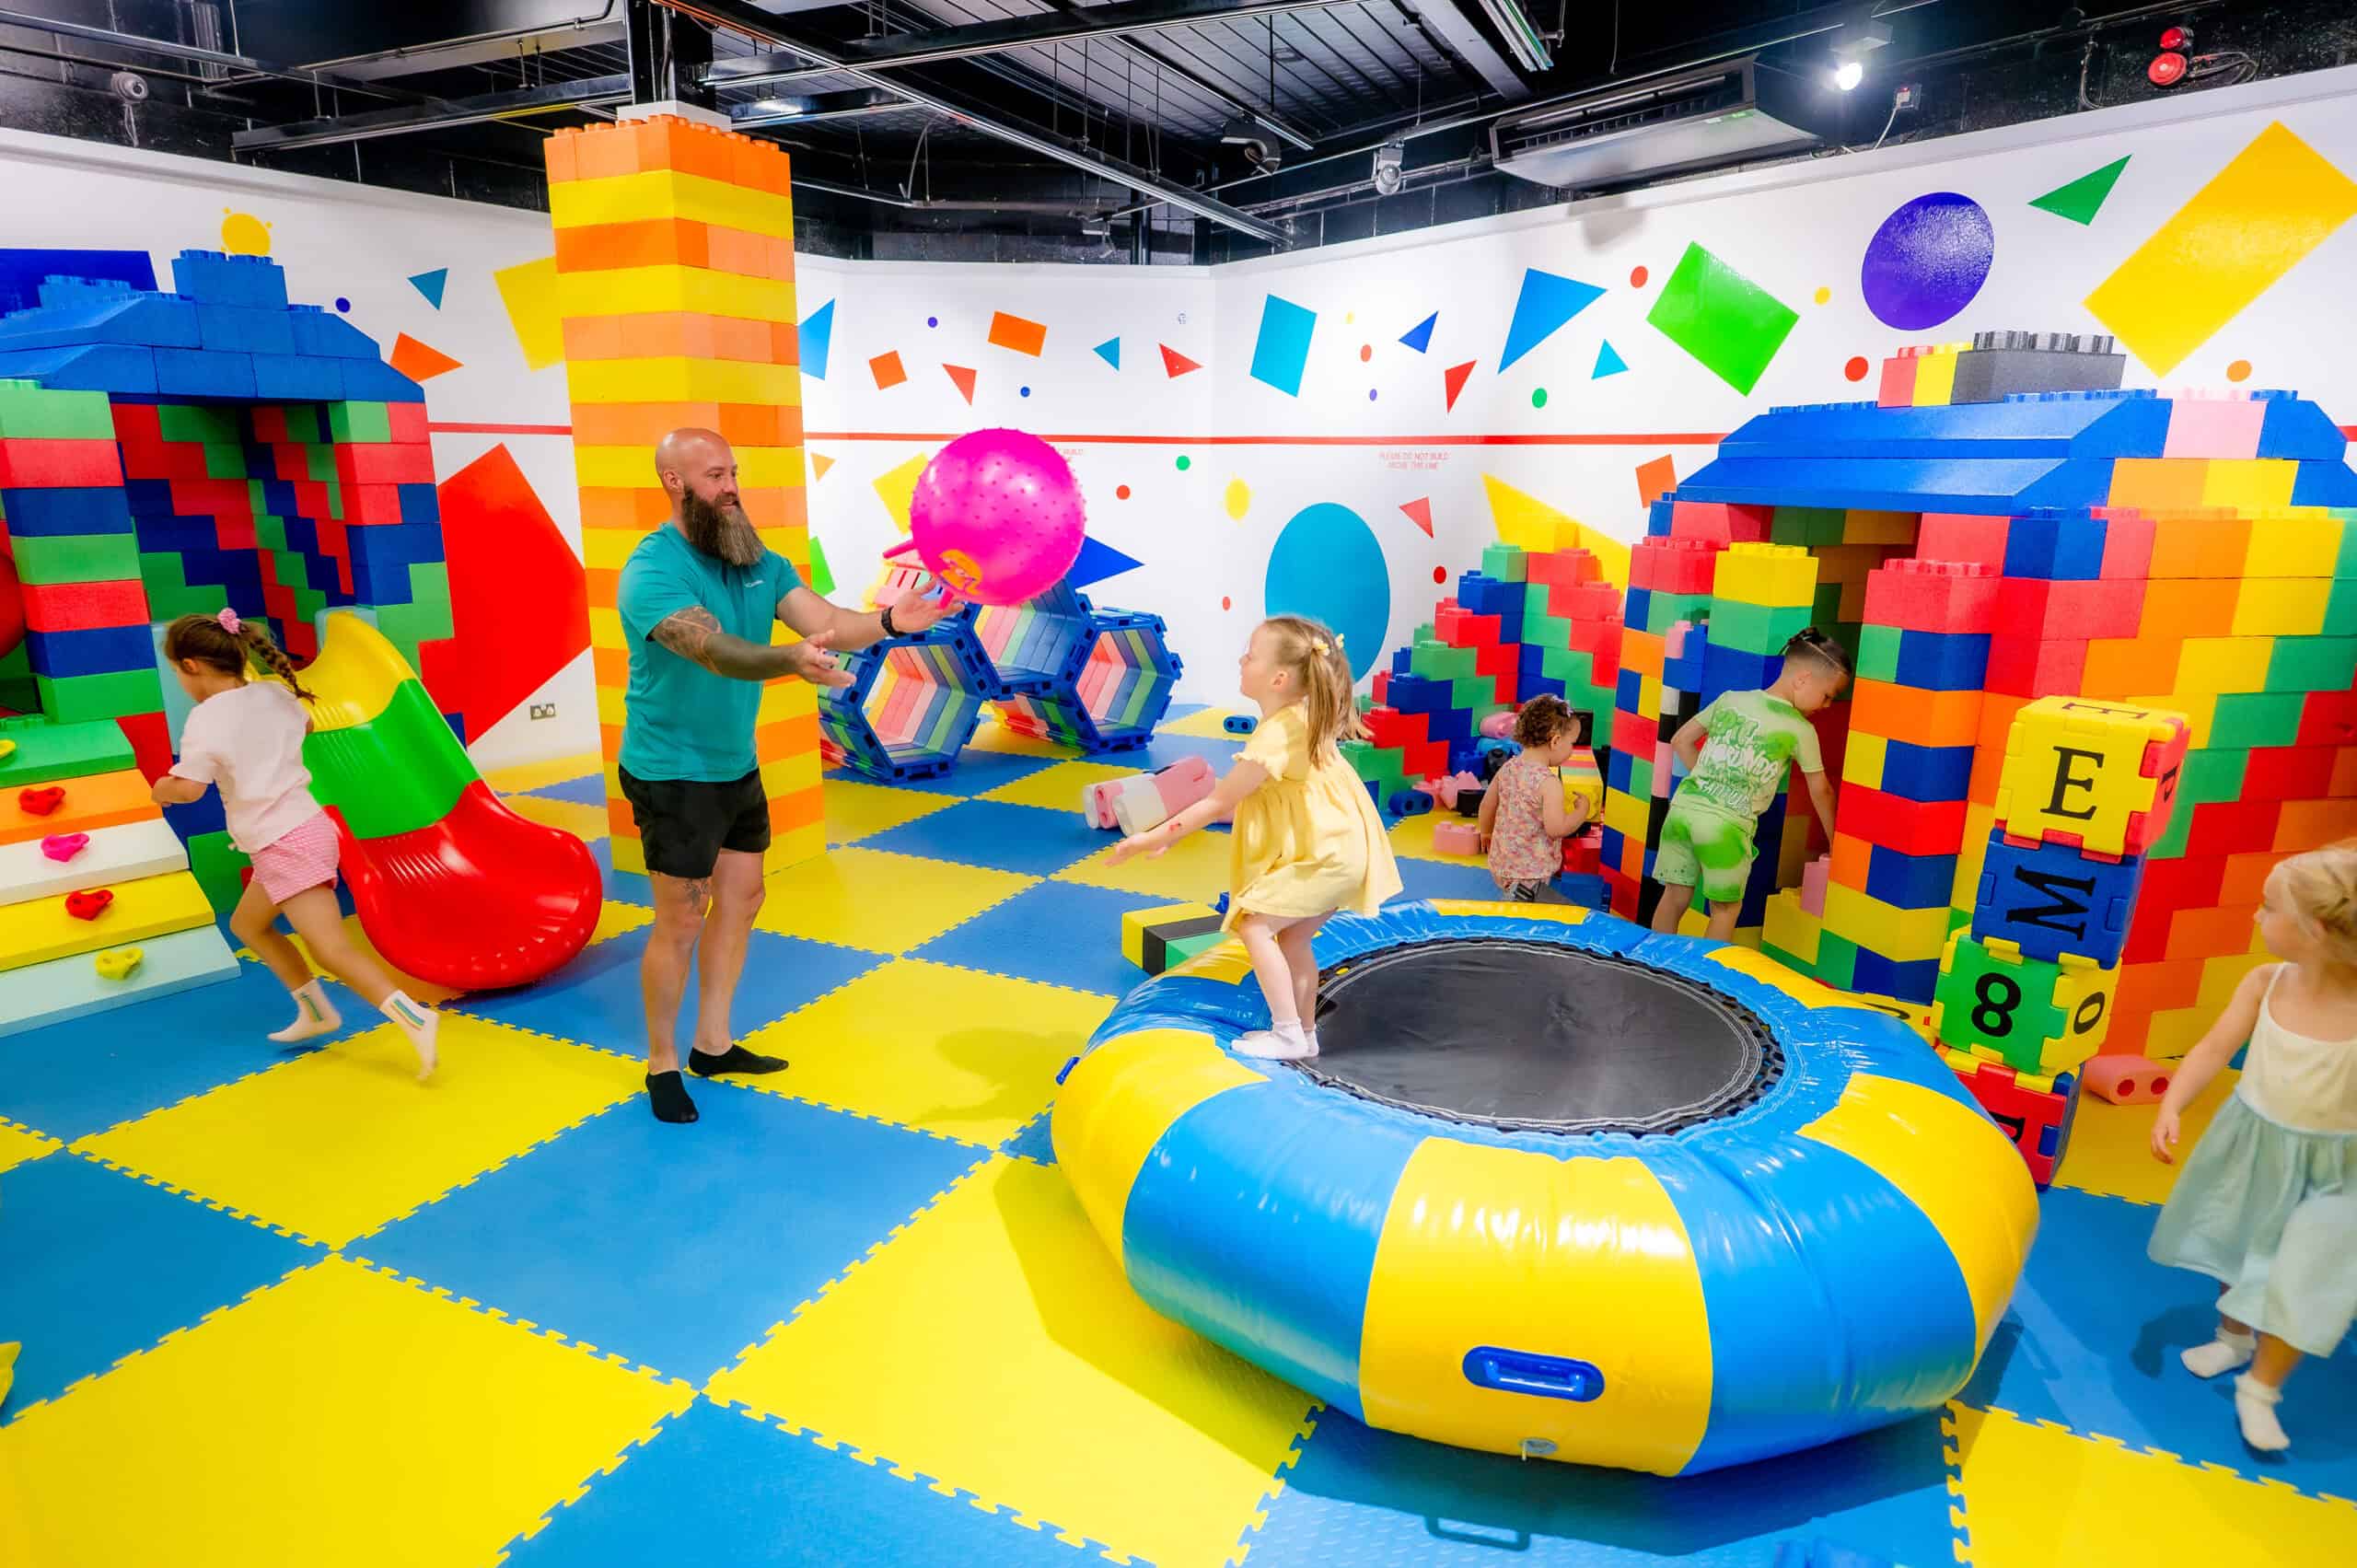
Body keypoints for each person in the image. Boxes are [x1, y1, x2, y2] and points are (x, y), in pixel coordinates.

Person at [618, 427, 957, 1124]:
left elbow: (827, 620)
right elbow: (715, 650)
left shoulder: (756, 561)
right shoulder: (652, 570)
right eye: (715, 475)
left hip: (733, 764)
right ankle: (661, 1063)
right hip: (671, 769)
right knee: (682, 918)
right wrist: (790, 660)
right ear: (675, 483)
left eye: (733, 471)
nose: (731, 487)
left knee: (743, 898)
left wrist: (890, 621)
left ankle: (713, 1044)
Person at [151, 609, 440, 1078]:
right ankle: (315, 1011)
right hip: (298, 831)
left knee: (331, 949)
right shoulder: (272, 693)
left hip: (286, 841)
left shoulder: (206, 719)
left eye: (176, 673)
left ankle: (415, 1018)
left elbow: (188, 790)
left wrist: (160, 789)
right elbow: (304, 726)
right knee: (249, 925)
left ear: (190, 665)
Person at [1108, 615, 1402, 1060]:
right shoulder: (1303, 715)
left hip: (1327, 856)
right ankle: (1304, 1035)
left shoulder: (1277, 734)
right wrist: (1175, 834)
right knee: (1293, 939)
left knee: (1255, 925)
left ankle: (1287, 1033)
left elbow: (1218, 800)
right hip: (1343, 850)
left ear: (1279, 679)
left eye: (1250, 656)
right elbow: (1237, 802)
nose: (1241, 661)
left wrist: (1149, 838)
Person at [2147, 842, 2357, 1454]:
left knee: (2305, 1277)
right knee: (2236, 1246)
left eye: (2268, 908)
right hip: (2254, 1141)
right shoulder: (2265, 982)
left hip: (2334, 1169)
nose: (2255, 916)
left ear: (2314, 931)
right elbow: (2215, 1048)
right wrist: (2172, 1103)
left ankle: (2261, 1388)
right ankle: (2233, 1336)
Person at [1651, 628, 1850, 943]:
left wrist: (1708, 782)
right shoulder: (1800, 729)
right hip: (1726, 827)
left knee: (1674, 896)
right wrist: (1836, 842)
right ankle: (1705, 971)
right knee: (1725, 910)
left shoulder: (1730, 699)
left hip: (1682, 812)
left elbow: (1680, 740)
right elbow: (1821, 790)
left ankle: (1651, 961)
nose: (1826, 705)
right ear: (1803, 679)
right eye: (1828, 696)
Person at [1478, 695, 1592, 902]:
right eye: (1572, 743)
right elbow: (1556, 828)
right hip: (1530, 873)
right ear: (1556, 741)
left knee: (1516, 900)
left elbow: (1487, 805)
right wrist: (1581, 812)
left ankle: (1512, 900)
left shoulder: (1508, 767)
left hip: (1500, 864)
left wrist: (1485, 832)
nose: (1572, 750)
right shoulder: (1549, 783)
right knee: (1528, 910)